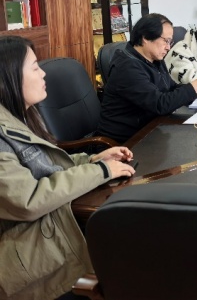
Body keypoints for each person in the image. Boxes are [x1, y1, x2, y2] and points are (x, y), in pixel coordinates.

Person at [0, 36, 136, 300]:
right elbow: (28, 200)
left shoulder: (21, 115)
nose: (43, 74)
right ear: (8, 78)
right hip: (35, 262)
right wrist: (101, 171)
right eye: (35, 67)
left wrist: (92, 160)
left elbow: (47, 166)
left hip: (53, 234)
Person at [97, 14, 197, 143]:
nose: (168, 47)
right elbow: (160, 104)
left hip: (152, 130)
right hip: (125, 143)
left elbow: (171, 88)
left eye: (170, 42)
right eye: (166, 41)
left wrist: (196, 89)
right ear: (146, 37)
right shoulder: (127, 68)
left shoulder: (154, 59)